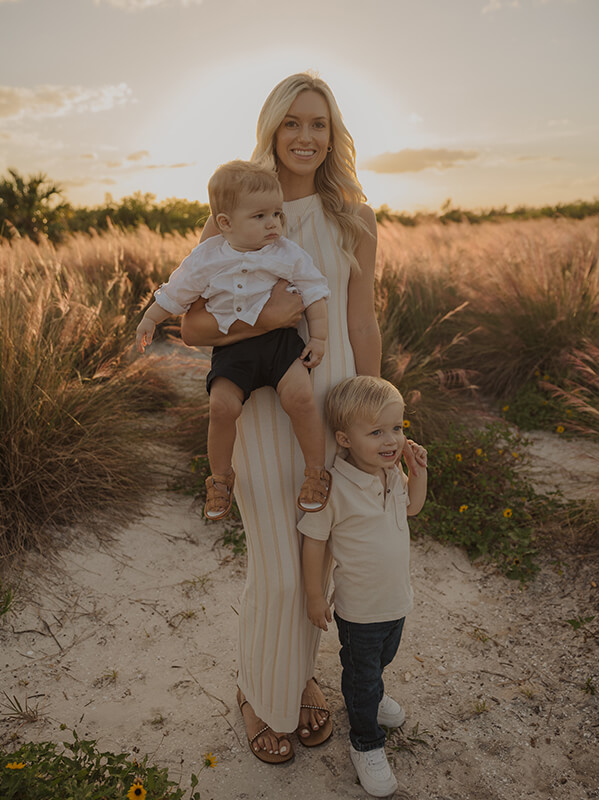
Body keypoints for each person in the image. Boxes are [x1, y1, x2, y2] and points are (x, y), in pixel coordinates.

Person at [180, 72, 419, 764]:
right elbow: (193, 325)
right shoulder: (237, 209)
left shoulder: (354, 215)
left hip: (336, 406)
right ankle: (259, 692)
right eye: (292, 123)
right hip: (261, 405)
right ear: (272, 130)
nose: (306, 137)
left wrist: (378, 413)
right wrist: (272, 315)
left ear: (333, 133)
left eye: (318, 123)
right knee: (281, 570)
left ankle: (302, 677)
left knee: (327, 561)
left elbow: (361, 320)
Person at [135, 160, 332, 519]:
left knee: (301, 398)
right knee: (222, 407)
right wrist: (150, 318)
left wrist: (318, 337)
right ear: (225, 223)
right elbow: (177, 292)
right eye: (259, 216)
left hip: (279, 343)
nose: (273, 223)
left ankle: (316, 472)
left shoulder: (287, 253)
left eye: (277, 213)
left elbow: (314, 291)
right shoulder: (206, 257)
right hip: (232, 347)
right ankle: (221, 479)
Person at [298, 376, 427, 797]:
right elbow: (315, 539)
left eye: (397, 428)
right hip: (360, 610)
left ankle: (372, 696)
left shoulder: (391, 474)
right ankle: (366, 741)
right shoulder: (334, 486)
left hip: (395, 601)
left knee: (382, 661)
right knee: (361, 674)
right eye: (376, 432)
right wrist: (315, 595)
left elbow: (412, 508)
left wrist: (416, 470)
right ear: (344, 439)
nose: (391, 440)